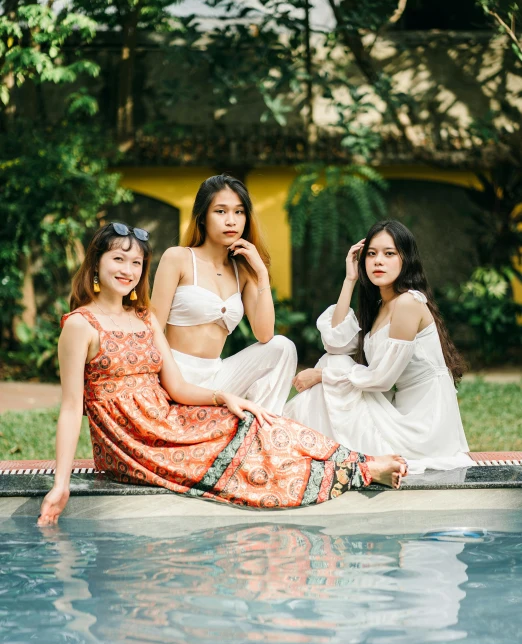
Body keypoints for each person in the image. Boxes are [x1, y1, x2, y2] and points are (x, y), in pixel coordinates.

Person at [38, 222, 408, 525]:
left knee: (255, 422)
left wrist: (224, 397)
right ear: (96, 264)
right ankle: (359, 470)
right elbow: (72, 409)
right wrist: (61, 484)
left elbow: (177, 387)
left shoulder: (145, 317)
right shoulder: (80, 326)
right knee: (238, 459)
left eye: (136, 264)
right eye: (118, 259)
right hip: (133, 443)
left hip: (169, 420)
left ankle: (359, 464)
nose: (128, 271)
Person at [284, 219, 473, 474]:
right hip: (398, 410)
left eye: (389, 253)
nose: (378, 261)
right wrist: (350, 279)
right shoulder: (381, 306)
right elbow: (336, 343)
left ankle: (291, 442)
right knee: (336, 360)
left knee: (333, 369)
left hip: (423, 426)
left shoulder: (408, 303)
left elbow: (382, 380)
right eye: (371, 254)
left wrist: (321, 376)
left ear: (405, 259)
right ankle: (296, 442)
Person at [151, 174, 296, 414]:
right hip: (176, 375)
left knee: (283, 347)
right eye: (220, 211)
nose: (231, 221)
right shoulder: (178, 258)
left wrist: (260, 272)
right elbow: (153, 327)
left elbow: (265, 334)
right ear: (202, 218)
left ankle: (258, 430)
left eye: (239, 212)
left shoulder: (243, 271)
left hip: (217, 375)